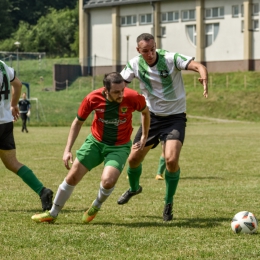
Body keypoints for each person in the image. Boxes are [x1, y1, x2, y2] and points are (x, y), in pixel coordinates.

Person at [31, 72, 150, 224]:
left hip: (118, 147)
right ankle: (52, 213)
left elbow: (146, 112)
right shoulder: (92, 98)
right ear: (105, 90)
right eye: (116, 92)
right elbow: (78, 122)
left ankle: (96, 205)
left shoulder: (132, 97)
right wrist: (67, 150)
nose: (121, 94)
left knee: (108, 181)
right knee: (72, 176)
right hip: (95, 142)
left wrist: (144, 135)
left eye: (122, 90)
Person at [117, 33, 208, 221]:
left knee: (171, 161)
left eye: (152, 49)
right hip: (150, 118)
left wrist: (203, 77)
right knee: (133, 160)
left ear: (155, 46)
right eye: (145, 51)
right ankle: (134, 188)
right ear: (138, 50)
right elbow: (119, 85)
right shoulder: (134, 64)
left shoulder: (170, 58)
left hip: (175, 118)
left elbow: (198, 65)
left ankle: (168, 203)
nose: (150, 54)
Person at [0, 60, 53, 211]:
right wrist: (13, 104)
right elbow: (17, 84)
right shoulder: (2, 65)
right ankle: (43, 191)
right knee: (12, 163)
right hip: (5, 122)